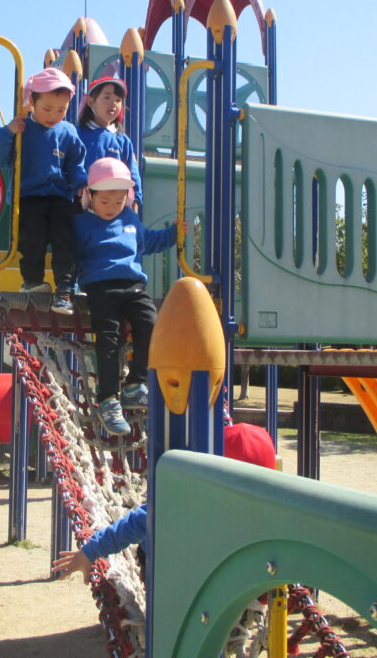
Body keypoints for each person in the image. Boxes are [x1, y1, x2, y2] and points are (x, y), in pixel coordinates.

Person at [52, 422, 277, 580]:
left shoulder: (262, 513)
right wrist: (91, 551)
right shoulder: (190, 504)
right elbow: (139, 521)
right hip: (169, 569)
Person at [73, 157, 182, 436]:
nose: (112, 207)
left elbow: (150, 242)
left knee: (151, 324)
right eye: (104, 201)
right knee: (108, 337)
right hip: (101, 287)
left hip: (133, 286)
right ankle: (108, 399)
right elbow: (69, 255)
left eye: (119, 201)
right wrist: (67, 286)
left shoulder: (130, 219)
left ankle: (135, 384)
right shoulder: (82, 224)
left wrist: (174, 233)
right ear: (89, 196)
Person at [0, 67, 87, 316]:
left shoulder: (68, 131)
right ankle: (32, 282)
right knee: (32, 238)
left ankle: (65, 288)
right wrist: (8, 131)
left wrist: (81, 184)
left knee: (66, 240)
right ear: (33, 102)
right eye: (47, 109)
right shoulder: (23, 129)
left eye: (61, 110)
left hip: (60, 196)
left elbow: (75, 164)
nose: (54, 115)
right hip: (29, 195)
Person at [76, 77, 143, 211]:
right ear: (90, 101)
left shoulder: (123, 140)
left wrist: (135, 199)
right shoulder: (78, 134)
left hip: (115, 205)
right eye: (107, 97)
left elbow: (133, 171)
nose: (113, 103)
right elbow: (72, 164)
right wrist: (80, 186)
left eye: (118, 100)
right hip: (85, 202)